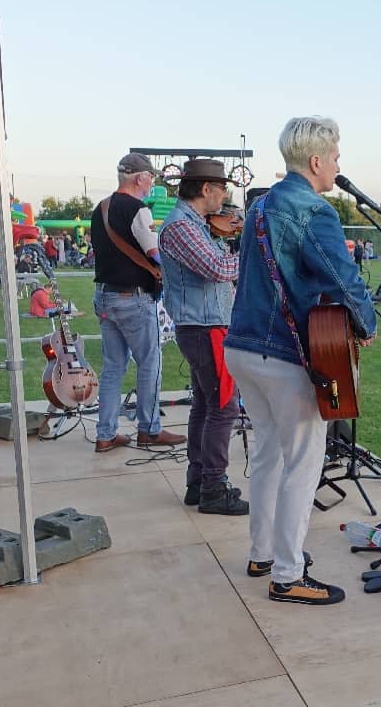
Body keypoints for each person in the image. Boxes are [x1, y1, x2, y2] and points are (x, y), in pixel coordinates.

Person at [225, 116, 376, 606]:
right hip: (284, 354)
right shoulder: (315, 210)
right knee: (303, 462)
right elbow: (343, 276)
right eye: (335, 156)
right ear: (316, 161)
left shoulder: (260, 205)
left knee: (268, 454)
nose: (338, 164)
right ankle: (288, 575)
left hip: (242, 346)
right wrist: (367, 324)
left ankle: (262, 553)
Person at [158, 159, 248, 516]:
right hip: (205, 327)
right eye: (222, 189)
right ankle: (213, 486)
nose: (225, 197)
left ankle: (199, 482)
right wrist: (249, 254)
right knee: (224, 407)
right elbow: (217, 269)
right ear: (206, 189)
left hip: (204, 325)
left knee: (206, 405)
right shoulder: (182, 227)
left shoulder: (193, 225)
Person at [90, 152, 185, 452]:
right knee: (149, 363)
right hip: (133, 297)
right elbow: (154, 253)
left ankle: (105, 434)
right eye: (150, 178)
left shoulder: (100, 209)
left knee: (112, 368)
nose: (151, 183)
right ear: (140, 178)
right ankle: (149, 429)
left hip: (104, 294)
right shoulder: (138, 209)